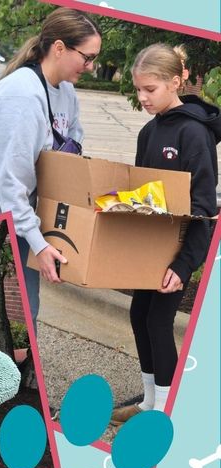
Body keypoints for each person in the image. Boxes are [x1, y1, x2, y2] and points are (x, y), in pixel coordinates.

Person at [0, 7, 100, 322]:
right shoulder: (22, 97)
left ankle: (22, 367)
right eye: (87, 57)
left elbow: (70, 153)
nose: (92, 66)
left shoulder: (66, 92)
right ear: (59, 48)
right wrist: (39, 244)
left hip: (17, 210)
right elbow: (10, 182)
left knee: (27, 308)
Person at [110, 44, 221, 424]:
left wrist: (184, 262)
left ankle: (165, 412)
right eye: (138, 89)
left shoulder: (194, 134)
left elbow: (205, 207)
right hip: (148, 246)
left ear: (177, 81)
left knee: (159, 321)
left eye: (150, 89)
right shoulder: (147, 132)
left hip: (179, 250)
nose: (142, 97)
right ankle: (148, 402)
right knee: (140, 315)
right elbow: (143, 195)